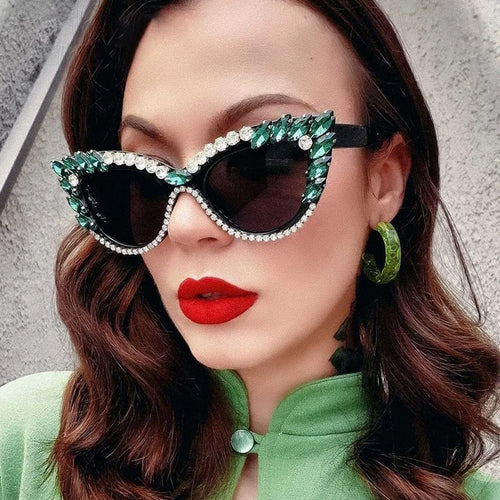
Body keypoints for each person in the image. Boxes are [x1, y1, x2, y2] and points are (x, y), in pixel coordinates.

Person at [0, 0, 499, 498]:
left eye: (261, 164)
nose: (185, 225)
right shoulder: (28, 445)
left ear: (384, 181)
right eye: (145, 178)